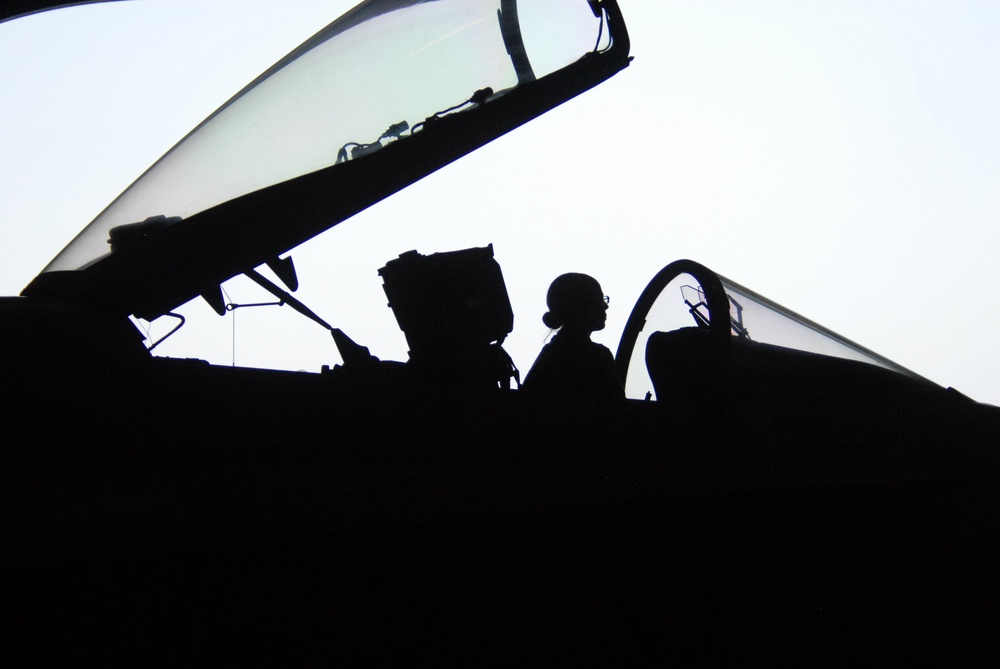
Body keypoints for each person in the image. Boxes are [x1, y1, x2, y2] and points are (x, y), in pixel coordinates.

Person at [522, 273, 625, 399]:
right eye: (599, 299)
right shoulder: (598, 357)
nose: (605, 306)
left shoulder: (550, 353)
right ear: (583, 306)